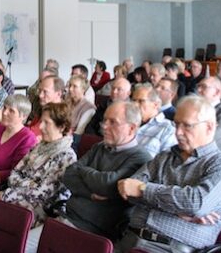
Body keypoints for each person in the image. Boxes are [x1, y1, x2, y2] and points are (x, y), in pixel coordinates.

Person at [116, 96, 221, 253]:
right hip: (130, 239)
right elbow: (128, 188)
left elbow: (194, 205)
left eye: (187, 126)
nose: (178, 132)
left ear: (209, 127)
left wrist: (144, 189)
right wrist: (178, 206)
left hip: (173, 247)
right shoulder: (165, 156)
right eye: (176, 124)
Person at [24, 102, 151, 253]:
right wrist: (90, 193)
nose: (104, 126)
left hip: (95, 234)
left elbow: (107, 186)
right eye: (105, 120)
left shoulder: (140, 157)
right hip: (66, 219)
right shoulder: (100, 147)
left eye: (113, 122)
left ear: (131, 128)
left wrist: (83, 171)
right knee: (17, 246)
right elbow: (69, 174)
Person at [0, 102, 77, 227]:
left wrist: (9, 194)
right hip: (15, 197)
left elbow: (41, 193)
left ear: (61, 127)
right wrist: (31, 183)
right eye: (41, 122)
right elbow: (14, 174)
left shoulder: (66, 156)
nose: (41, 127)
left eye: (47, 123)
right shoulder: (39, 147)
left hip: (39, 210)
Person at [132, 83, 177, 157]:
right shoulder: (126, 124)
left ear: (156, 104)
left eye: (141, 101)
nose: (135, 105)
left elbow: (167, 163)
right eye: (134, 100)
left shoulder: (168, 129)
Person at [197, 76, 221, 155]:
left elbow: (215, 135)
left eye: (204, 87)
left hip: (217, 156)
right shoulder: (196, 108)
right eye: (198, 86)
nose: (198, 90)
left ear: (216, 92)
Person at [67, 75, 96, 147]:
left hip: (72, 143)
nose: (70, 89)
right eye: (70, 85)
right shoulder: (67, 103)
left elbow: (78, 134)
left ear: (83, 89)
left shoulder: (89, 108)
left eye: (74, 86)